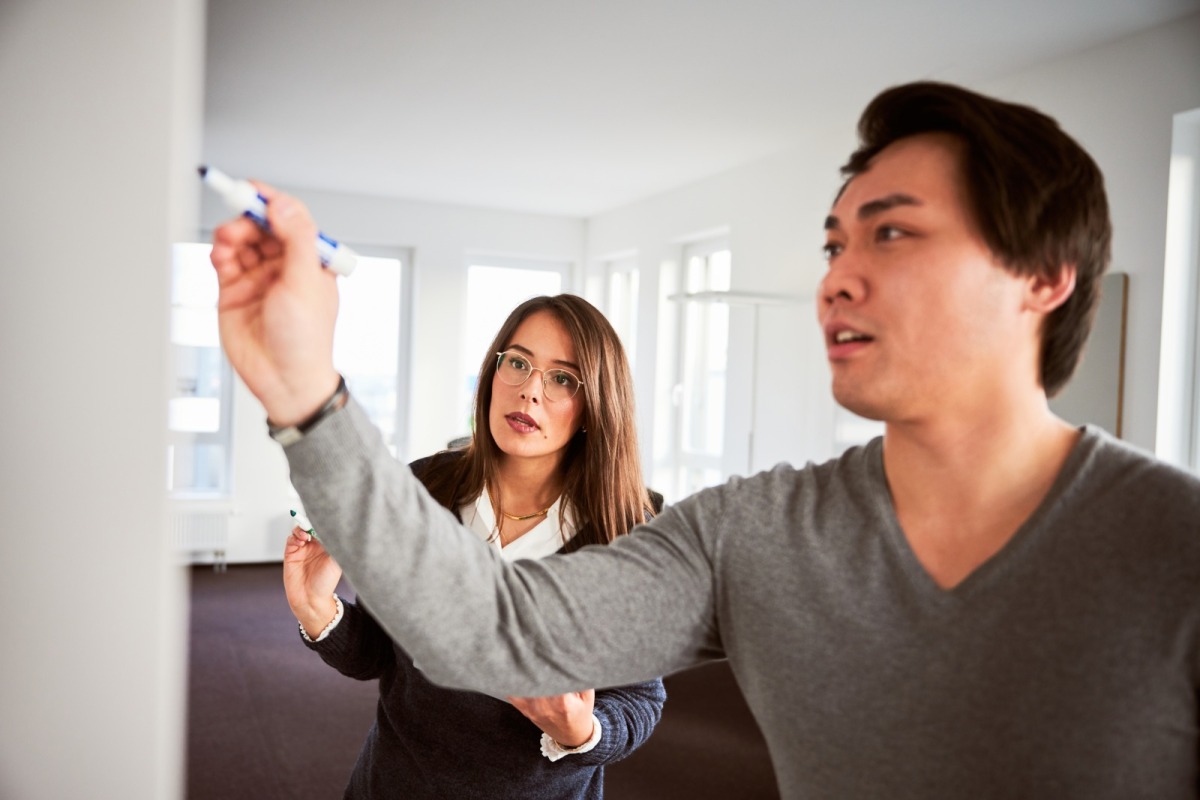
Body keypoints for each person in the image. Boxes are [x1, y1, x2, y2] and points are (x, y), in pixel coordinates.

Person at [210, 80, 1200, 798]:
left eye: (890, 233)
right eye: (833, 242)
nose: (836, 277)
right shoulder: (749, 530)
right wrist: (302, 385)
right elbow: (485, 627)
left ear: (1043, 276)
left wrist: (581, 730)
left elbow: (605, 704)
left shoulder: (1175, 547)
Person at [281, 294, 666, 799]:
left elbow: (640, 700)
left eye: (561, 378)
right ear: (492, 372)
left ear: (594, 405)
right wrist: (317, 610)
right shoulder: (423, 487)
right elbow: (379, 654)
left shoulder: (629, 534)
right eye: (518, 363)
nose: (529, 391)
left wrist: (582, 730)